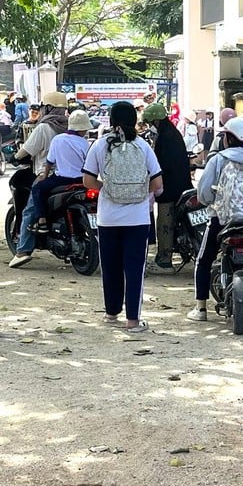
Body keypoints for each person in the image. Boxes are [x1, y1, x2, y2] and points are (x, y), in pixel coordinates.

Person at [82, 101, 162, 332]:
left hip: (107, 217)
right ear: (134, 121)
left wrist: (109, 189)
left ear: (111, 120)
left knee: (111, 266)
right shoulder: (143, 146)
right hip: (138, 219)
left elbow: (87, 180)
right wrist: (136, 191)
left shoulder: (99, 145)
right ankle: (133, 321)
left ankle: (111, 313)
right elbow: (157, 183)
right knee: (135, 269)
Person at [187, 117, 243, 323]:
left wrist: (210, 203)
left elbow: (204, 192)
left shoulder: (219, 159)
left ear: (228, 138)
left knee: (204, 259)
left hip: (222, 220)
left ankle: (201, 308)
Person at [8, 91, 69, 267]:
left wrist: (15, 158)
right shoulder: (71, 126)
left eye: (43, 107)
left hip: (48, 174)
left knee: (29, 210)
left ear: (48, 108)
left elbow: (27, 150)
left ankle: (23, 251)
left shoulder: (44, 127)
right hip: (75, 176)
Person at [139, 103, 192, 269]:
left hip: (169, 188)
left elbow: (161, 164)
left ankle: (164, 256)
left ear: (156, 121)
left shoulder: (165, 137)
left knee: (164, 221)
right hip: (183, 184)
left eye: (150, 123)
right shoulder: (172, 133)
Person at [26, 110, 92, 234]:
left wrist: (44, 176)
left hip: (62, 180)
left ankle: (42, 220)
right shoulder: (85, 143)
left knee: (38, 189)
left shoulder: (58, 139)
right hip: (81, 180)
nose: (86, 131)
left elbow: (50, 161)